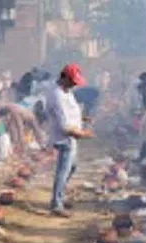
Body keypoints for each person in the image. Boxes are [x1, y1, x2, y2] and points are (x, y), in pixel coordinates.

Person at [47, 63, 93, 217]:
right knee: (63, 170)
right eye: (72, 81)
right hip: (65, 138)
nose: (74, 84)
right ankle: (56, 204)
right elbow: (64, 126)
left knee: (71, 167)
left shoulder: (66, 91)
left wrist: (82, 118)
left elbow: (71, 111)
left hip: (71, 137)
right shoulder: (57, 95)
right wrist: (83, 133)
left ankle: (59, 196)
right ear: (64, 78)